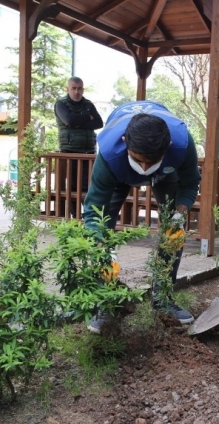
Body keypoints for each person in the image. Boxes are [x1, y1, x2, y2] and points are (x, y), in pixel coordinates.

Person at [82, 100, 201, 333]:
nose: (145, 168)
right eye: (138, 160)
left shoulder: (181, 145)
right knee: (101, 233)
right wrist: (101, 244)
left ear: (167, 145)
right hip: (119, 172)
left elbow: (190, 184)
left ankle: (163, 299)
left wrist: (178, 216)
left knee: (173, 233)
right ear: (125, 142)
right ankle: (105, 302)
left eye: (150, 161)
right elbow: (94, 207)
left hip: (166, 173)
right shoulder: (110, 155)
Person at [54, 76, 103, 216]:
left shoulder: (88, 104)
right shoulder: (61, 104)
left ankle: (88, 217)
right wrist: (88, 118)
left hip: (89, 152)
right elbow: (69, 120)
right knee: (73, 187)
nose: (77, 92)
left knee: (89, 187)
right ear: (67, 89)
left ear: (83, 89)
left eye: (79, 88)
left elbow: (99, 123)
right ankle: (74, 218)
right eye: (74, 88)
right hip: (70, 152)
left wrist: (77, 122)